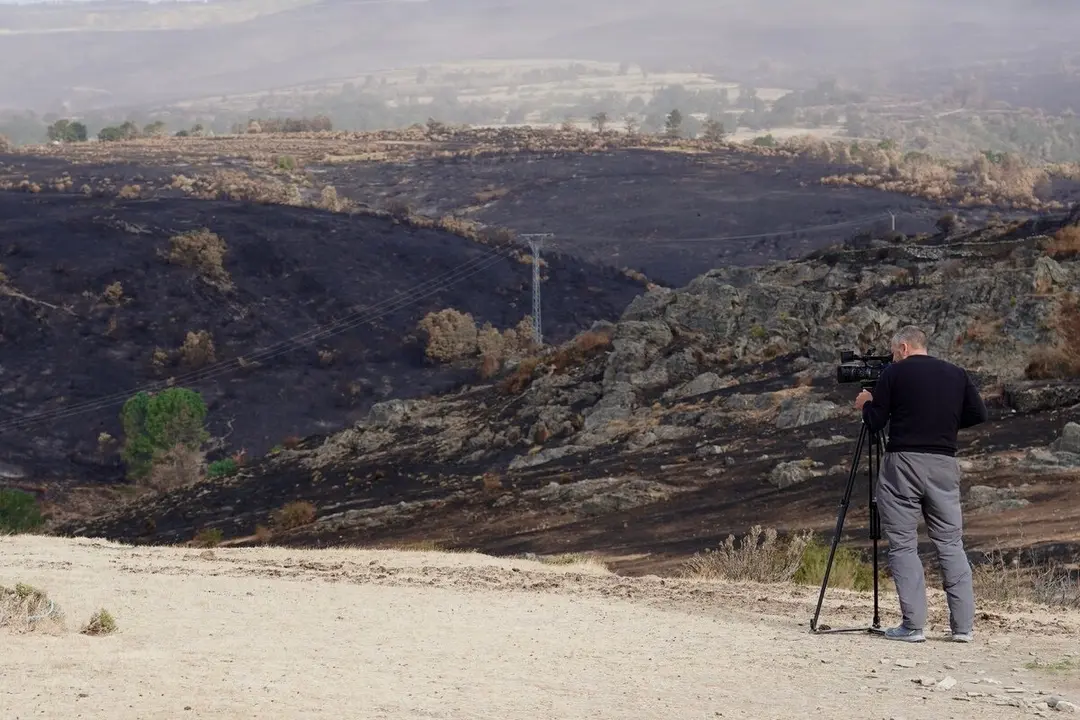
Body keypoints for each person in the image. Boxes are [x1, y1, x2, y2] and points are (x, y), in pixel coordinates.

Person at [854, 325, 988, 643]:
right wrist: (948, 421)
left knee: (903, 544)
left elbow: (875, 422)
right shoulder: (956, 373)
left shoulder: (894, 374)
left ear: (903, 347)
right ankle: (963, 628)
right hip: (944, 464)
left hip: (903, 462)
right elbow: (979, 413)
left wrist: (865, 404)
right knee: (951, 544)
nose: (892, 357)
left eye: (893, 352)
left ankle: (913, 626)